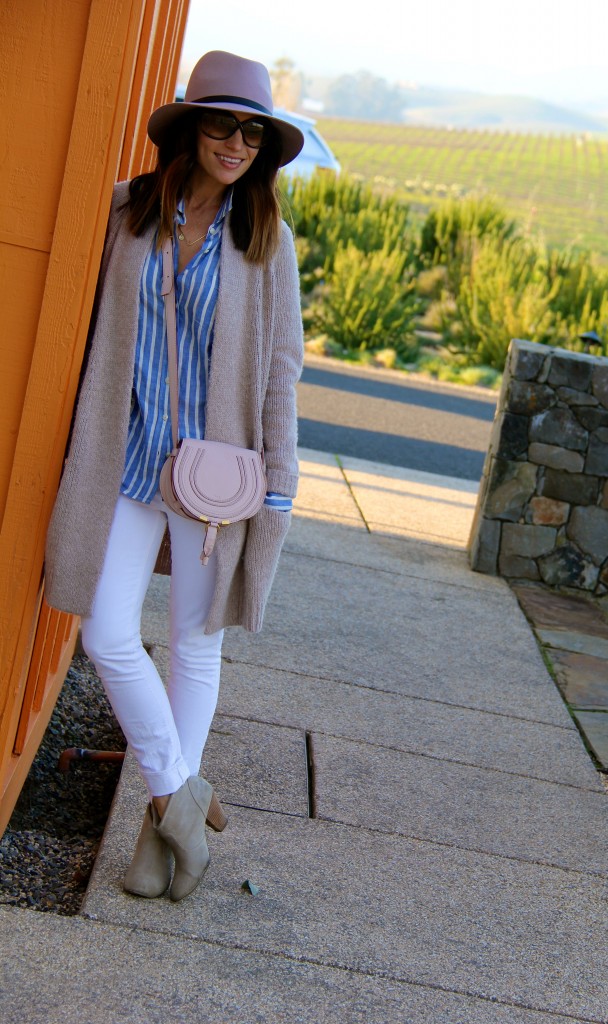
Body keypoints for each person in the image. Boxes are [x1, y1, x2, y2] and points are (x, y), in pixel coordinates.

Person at [44, 51, 305, 902]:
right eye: (223, 123)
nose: (237, 141)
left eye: (253, 131)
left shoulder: (267, 238)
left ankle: (162, 845)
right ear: (191, 127)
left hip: (218, 476)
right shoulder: (129, 209)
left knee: (197, 645)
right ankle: (176, 798)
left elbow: (280, 373)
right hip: (124, 459)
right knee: (106, 630)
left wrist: (279, 481)